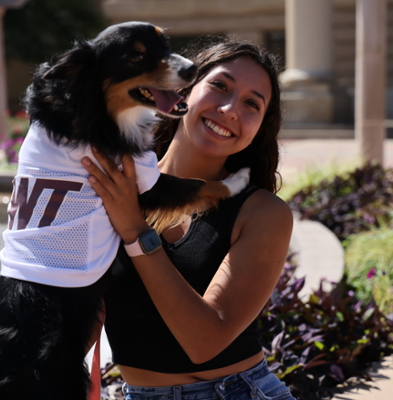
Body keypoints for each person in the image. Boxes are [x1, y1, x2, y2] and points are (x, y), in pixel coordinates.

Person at [81, 37, 295, 400]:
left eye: (251, 105)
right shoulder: (116, 184)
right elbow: (77, 313)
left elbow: (204, 340)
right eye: (220, 86)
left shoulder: (263, 213)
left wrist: (135, 230)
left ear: (259, 127)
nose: (229, 109)